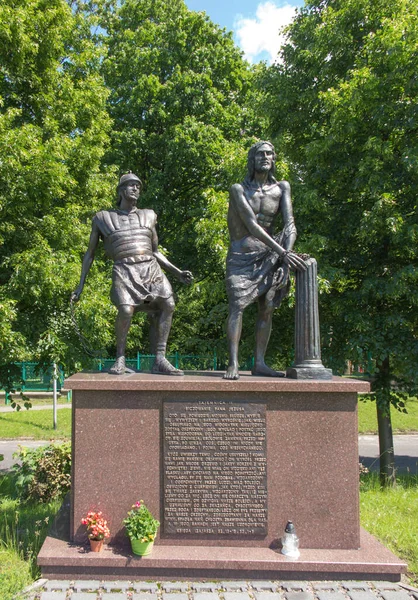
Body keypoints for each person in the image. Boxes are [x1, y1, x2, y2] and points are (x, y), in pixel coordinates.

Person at [71, 173, 193, 375]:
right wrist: (80, 285)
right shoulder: (103, 218)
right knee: (126, 310)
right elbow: (89, 254)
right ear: (120, 191)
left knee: (168, 304)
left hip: (150, 268)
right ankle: (120, 358)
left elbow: (155, 251)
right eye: (130, 185)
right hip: (124, 270)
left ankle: (160, 358)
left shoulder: (149, 215)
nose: (135, 189)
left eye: (138, 186)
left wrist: (177, 272)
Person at [224, 141, 307, 380]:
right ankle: (234, 362)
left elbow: (290, 224)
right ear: (252, 159)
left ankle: (260, 362)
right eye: (260, 153)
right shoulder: (238, 189)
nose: (265, 157)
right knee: (237, 305)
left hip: (272, 254)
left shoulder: (282, 188)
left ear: (274, 159)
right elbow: (252, 225)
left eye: (269, 154)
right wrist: (283, 253)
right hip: (242, 256)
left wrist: (285, 256)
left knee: (268, 307)